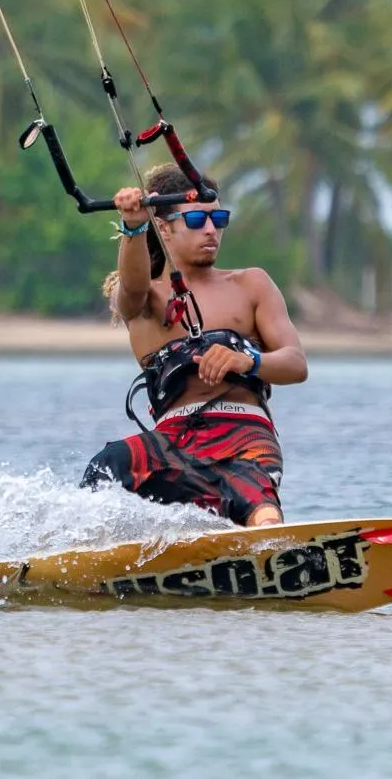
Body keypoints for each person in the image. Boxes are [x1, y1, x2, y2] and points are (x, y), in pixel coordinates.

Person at [81, 162, 308, 526]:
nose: (211, 230)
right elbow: (131, 294)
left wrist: (246, 360)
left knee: (254, 499)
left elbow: (296, 364)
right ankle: (82, 558)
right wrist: (135, 225)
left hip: (244, 437)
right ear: (165, 228)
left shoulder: (251, 284)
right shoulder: (143, 298)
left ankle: (270, 541)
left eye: (218, 218)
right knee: (108, 465)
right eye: (196, 220)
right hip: (172, 445)